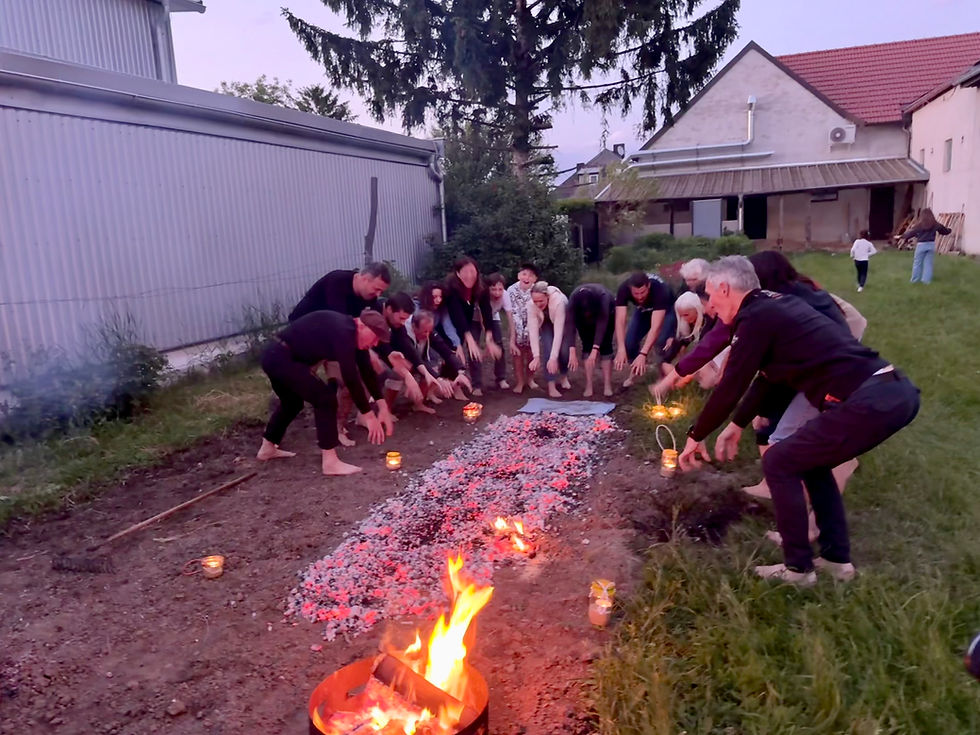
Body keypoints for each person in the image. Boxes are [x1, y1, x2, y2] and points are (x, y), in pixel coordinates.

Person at [679, 256, 920, 586]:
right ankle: (836, 561)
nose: (708, 305)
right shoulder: (772, 307)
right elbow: (768, 379)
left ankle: (798, 570)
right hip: (891, 392)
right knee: (810, 463)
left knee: (780, 460)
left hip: (873, 397)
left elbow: (733, 384)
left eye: (709, 293)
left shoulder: (757, 316)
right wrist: (736, 426)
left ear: (724, 287)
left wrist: (696, 434)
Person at [256, 309, 395, 476]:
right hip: (281, 357)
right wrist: (369, 415)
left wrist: (382, 405)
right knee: (325, 399)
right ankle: (330, 462)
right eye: (375, 339)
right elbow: (350, 377)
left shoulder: (351, 333)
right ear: (363, 326)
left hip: (276, 356)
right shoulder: (344, 331)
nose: (374, 345)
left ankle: (268, 447)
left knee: (292, 402)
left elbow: (367, 372)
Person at [443, 256, 497, 396]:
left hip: (470, 318)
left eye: (473, 272)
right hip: (449, 320)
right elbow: (456, 314)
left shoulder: (481, 286)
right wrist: (468, 339)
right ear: (457, 273)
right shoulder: (450, 288)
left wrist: (489, 338)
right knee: (456, 349)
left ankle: (476, 384)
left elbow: (486, 311)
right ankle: (454, 385)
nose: (470, 276)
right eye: (465, 272)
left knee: (474, 350)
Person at [613, 271, 676, 387]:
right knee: (629, 344)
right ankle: (637, 370)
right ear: (630, 289)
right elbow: (620, 320)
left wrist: (643, 353)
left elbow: (655, 327)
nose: (639, 296)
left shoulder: (660, 290)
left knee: (661, 341)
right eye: (635, 294)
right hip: (643, 310)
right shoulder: (623, 289)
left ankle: (663, 378)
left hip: (666, 310)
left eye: (642, 292)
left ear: (649, 286)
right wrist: (621, 349)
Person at [401, 310, 473, 404]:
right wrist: (439, 379)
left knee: (430, 370)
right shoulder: (403, 333)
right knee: (397, 377)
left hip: (417, 360)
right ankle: (387, 409)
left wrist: (460, 371)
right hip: (398, 361)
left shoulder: (427, 330)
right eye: (424, 331)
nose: (427, 335)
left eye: (429, 331)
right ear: (414, 326)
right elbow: (415, 359)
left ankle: (419, 404)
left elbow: (444, 350)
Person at [289, 262, 391, 321]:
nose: (378, 294)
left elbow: (376, 325)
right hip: (303, 324)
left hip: (328, 330)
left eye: (381, 291)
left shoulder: (369, 297)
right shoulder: (337, 282)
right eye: (376, 289)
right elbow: (339, 320)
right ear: (364, 279)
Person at [564, 283, 616, 398]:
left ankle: (607, 385)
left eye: (589, 312)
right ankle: (589, 385)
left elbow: (602, 324)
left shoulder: (603, 298)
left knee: (606, 345)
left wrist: (595, 349)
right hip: (582, 320)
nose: (588, 314)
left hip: (607, 316)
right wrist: (572, 351)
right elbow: (570, 325)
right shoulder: (573, 300)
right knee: (587, 345)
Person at [527, 281, 571, 398]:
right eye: (535, 301)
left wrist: (554, 358)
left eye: (540, 301)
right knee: (547, 347)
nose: (537, 304)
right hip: (545, 322)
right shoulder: (531, 305)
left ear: (547, 296)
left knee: (564, 351)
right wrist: (536, 356)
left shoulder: (559, 302)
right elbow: (533, 331)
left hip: (562, 323)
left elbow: (558, 332)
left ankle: (563, 376)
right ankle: (551, 386)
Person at [505, 263, 540, 394]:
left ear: (535, 279)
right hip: (516, 327)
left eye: (531, 275)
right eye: (524, 274)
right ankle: (520, 381)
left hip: (533, 328)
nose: (527, 277)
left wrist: (531, 331)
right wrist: (517, 333)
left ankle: (530, 379)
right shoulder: (511, 290)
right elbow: (512, 312)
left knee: (531, 354)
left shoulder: (536, 291)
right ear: (519, 275)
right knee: (517, 356)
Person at [902, 208, 951, 284]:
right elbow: (944, 231)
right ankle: (926, 281)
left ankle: (914, 280)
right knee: (928, 263)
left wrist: (903, 236)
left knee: (917, 263)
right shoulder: (935, 224)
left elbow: (911, 233)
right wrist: (949, 230)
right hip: (931, 245)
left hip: (921, 245)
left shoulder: (919, 225)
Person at [484, 273, 513, 390]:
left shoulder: (505, 296)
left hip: (494, 316)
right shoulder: (483, 295)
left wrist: (512, 339)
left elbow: (510, 317)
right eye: (493, 289)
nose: (497, 293)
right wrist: (488, 342)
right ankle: (476, 384)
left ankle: (501, 378)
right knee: (474, 346)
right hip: (476, 318)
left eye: (500, 289)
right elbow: (483, 319)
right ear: (488, 288)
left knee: (500, 345)